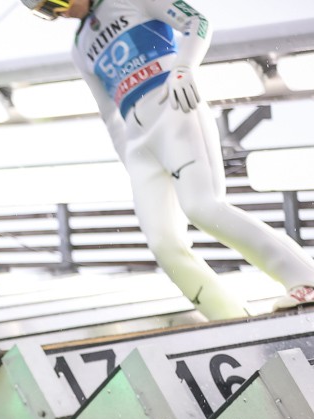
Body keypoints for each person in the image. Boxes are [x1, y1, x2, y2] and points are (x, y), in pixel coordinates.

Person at [22, 0, 314, 320]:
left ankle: (306, 280)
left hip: (175, 109)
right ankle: (226, 317)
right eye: (44, 13)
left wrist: (184, 67)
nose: (57, 13)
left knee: (204, 207)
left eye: (53, 3)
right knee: (163, 242)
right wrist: (128, 158)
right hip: (137, 141)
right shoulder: (80, 47)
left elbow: (197, 21)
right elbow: (109, 114)